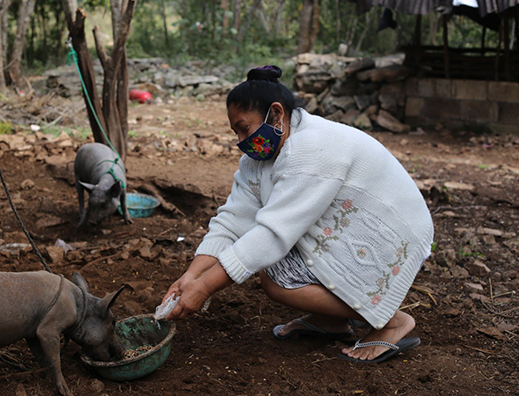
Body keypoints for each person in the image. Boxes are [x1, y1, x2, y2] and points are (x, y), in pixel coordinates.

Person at [162, 65, 434, 363]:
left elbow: (272, 235)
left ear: (276, 114)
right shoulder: (257, 160)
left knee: (277, 277)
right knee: (273, 262)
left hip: (393, 231)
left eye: (244, 127)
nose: (240, 139)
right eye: (235, 131)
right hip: (348, 225)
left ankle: (392, 321)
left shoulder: (312, 147)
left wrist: (204, 287)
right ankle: (331, 321)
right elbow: (232, 222)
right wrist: (190, 276)